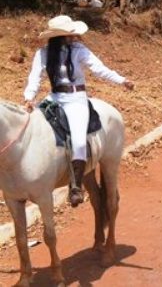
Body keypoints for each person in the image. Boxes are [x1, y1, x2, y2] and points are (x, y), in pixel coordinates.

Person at [23, 15, 134, 207]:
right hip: (54, 98)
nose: (74, 37)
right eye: (70, 34)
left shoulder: (79, 51)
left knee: (79, 140)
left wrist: (121, 80)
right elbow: (35, 77)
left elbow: (99, 69)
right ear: (62, 36)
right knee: (31, 128)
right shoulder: (42, 53)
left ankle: (75, 187)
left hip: (76, 100)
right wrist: (29, 97)